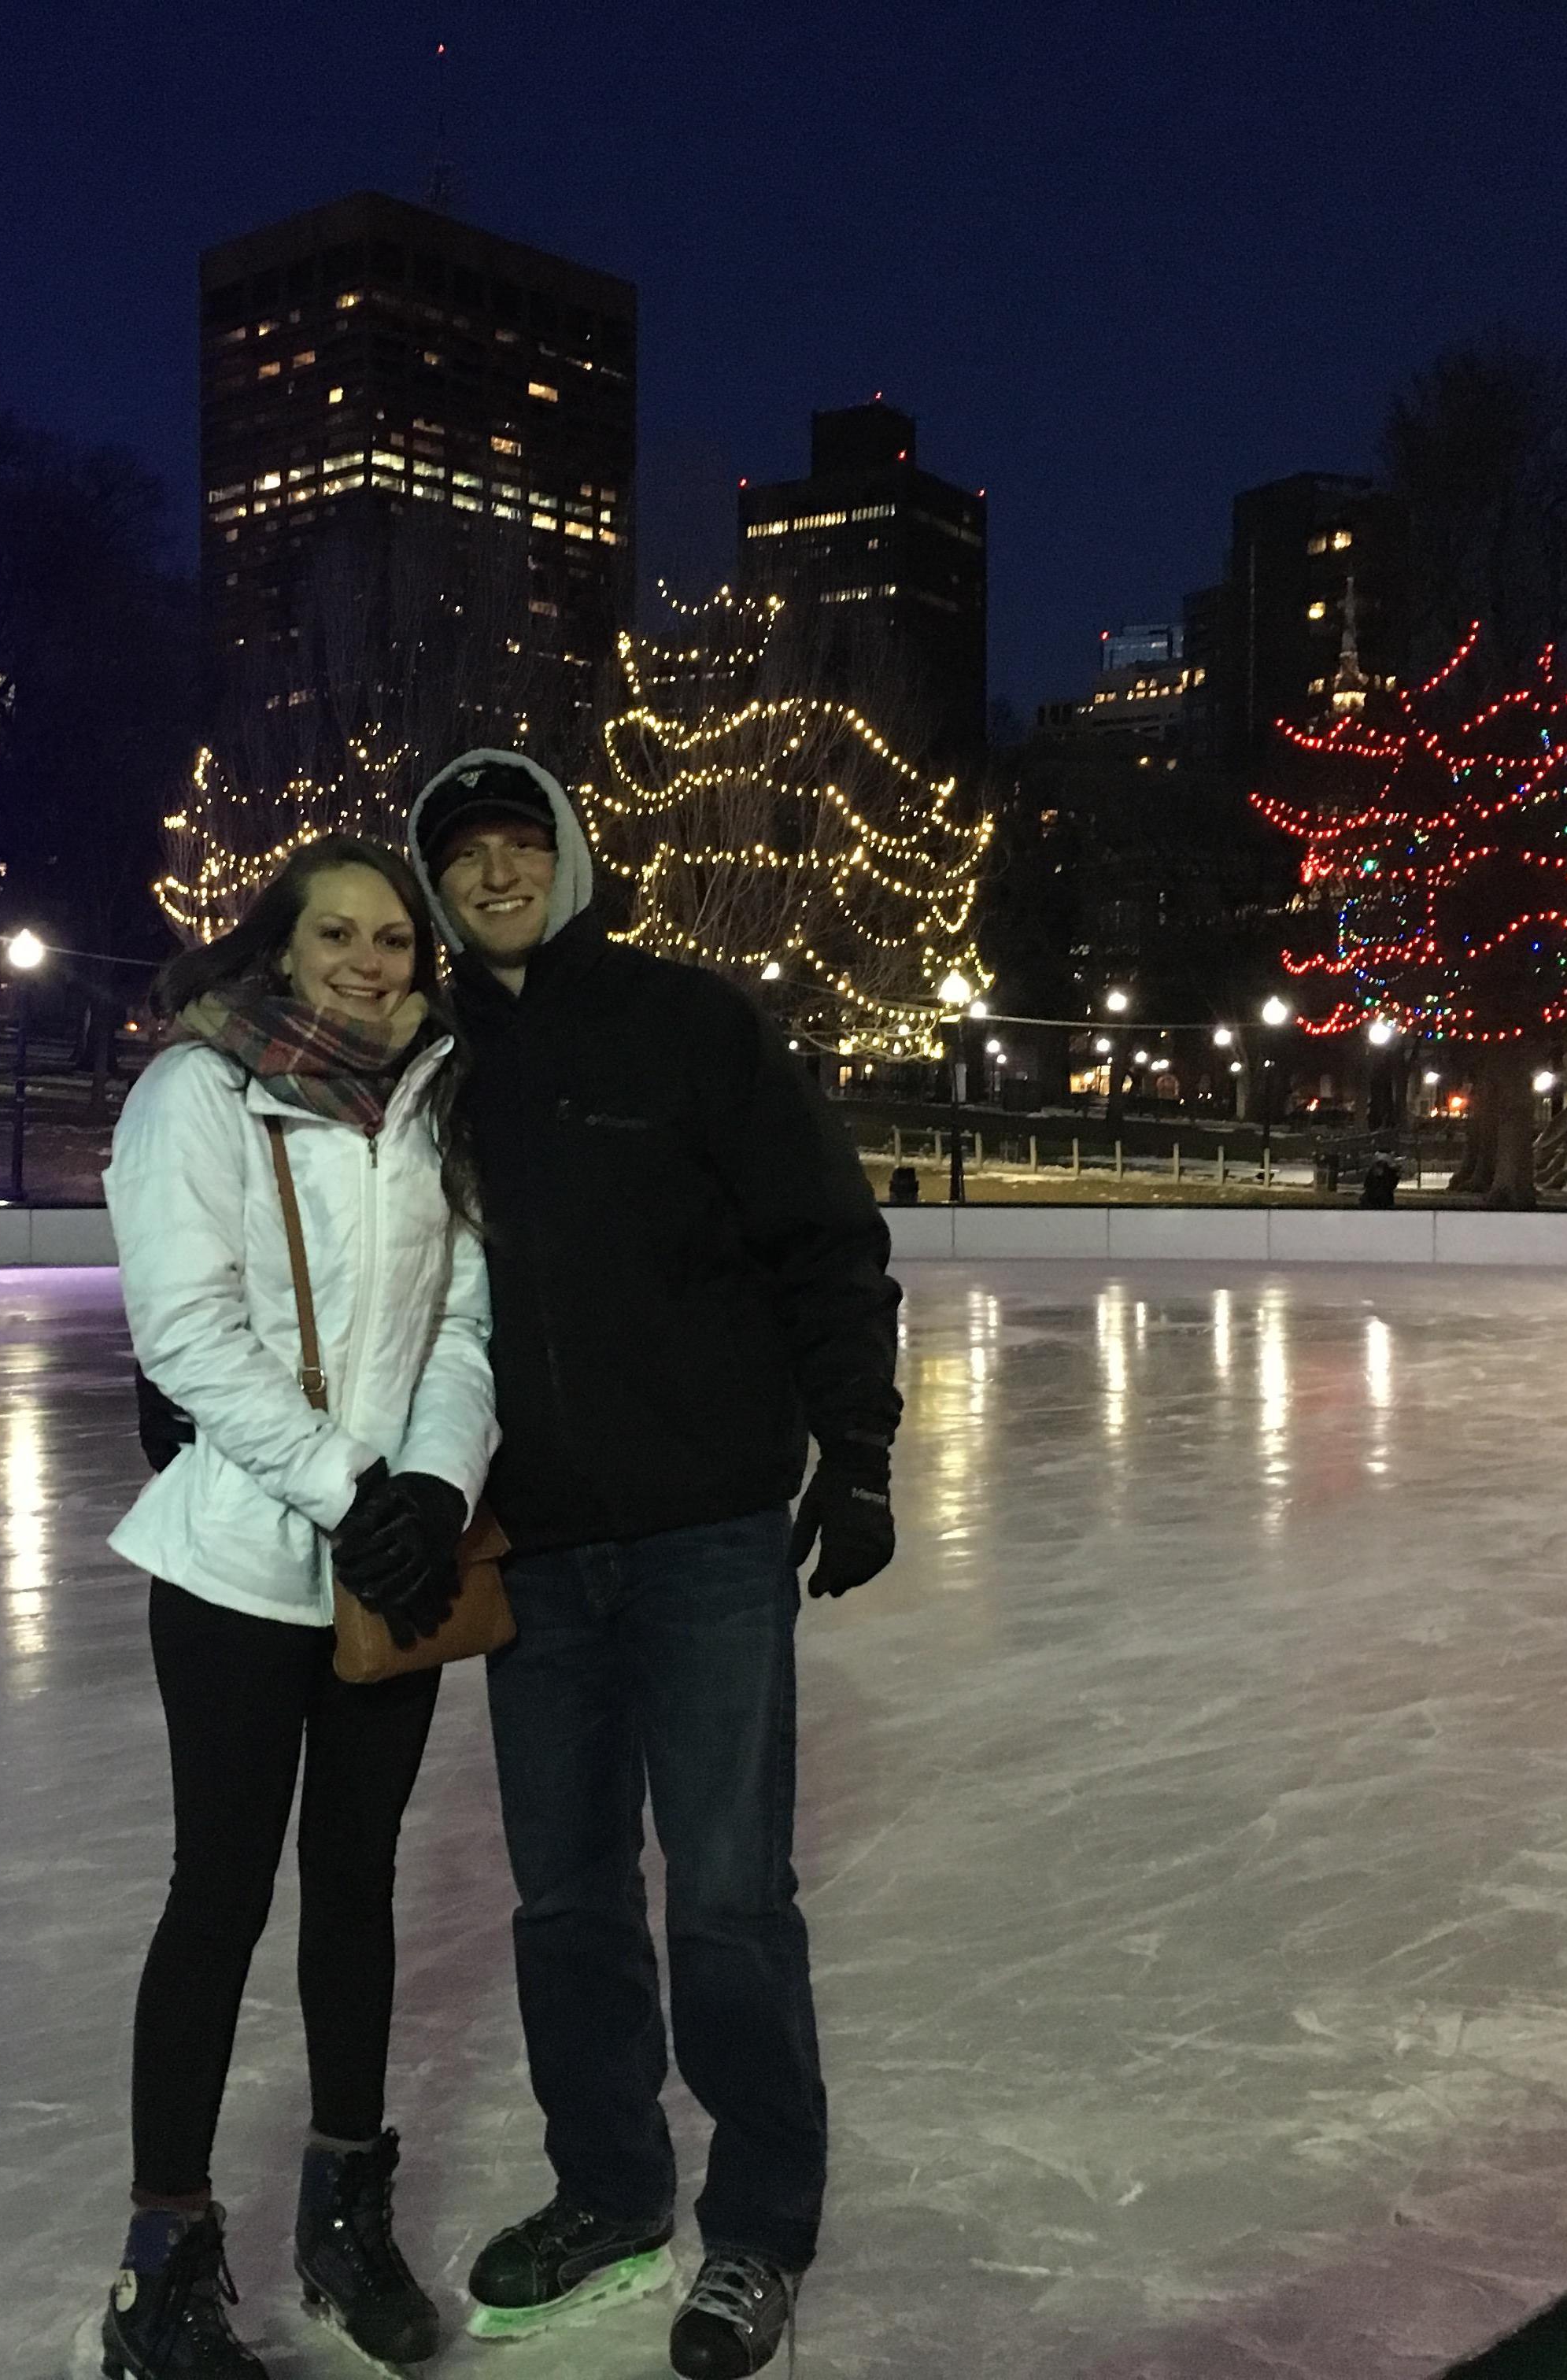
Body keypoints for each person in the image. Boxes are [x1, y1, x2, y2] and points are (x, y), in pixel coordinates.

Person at [405, 750, 903, 2379]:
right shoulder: (423, 1060)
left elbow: (825, 1237)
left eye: (519, 842)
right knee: (564, 1899)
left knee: (733, 1898)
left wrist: (863, 1446)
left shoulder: (690, 1024)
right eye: (463, 853)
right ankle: (611, 2188)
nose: (496, 873)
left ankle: (758, 2225)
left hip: (704, 1531)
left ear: (568, 853)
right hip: (531, 1545)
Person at [98, 835, 496, 2380]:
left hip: (392, 1563)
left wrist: (437, 1497)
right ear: (279, 942)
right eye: (340, 932)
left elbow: (467, 1321)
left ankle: (344, 2209)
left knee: (358, 1888)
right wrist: (351, 1488)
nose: (372, 960)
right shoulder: (196, 1094)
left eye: (396, 937)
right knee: (221, 1894)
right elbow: (187, 1336)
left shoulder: (435, 1100)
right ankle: (162, 2269)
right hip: (240, 1569)